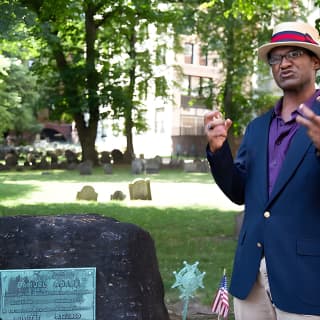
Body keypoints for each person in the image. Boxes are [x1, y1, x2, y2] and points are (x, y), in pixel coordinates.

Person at [204, 21, 320, 320]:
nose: (284, 63)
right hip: (250, 278)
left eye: (294, 54)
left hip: (306, 279)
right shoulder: (257, 128)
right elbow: (239, 192)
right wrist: (219, 152)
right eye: (276, 58)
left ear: (316, 61)